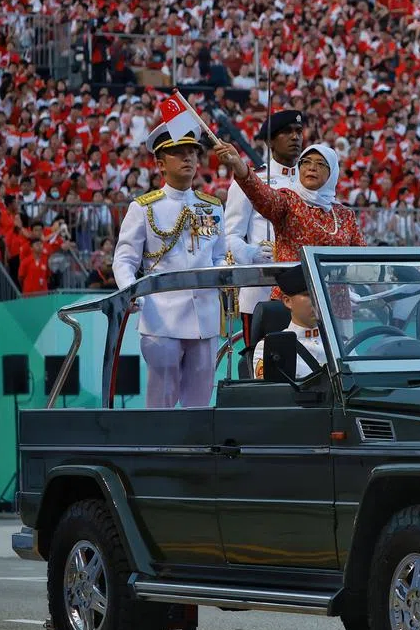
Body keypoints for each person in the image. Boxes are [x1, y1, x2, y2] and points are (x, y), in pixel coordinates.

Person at [113, 123, 228, 408]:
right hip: (162, 316)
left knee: (200, 402)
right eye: (178, 152)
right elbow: (125, 259)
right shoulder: (144, 207)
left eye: (192, 152)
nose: (188, 158)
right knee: (161, 402)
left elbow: (219, 256)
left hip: (205, 316)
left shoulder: (212, 206)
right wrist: (130, 291)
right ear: (161, 164)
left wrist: (225, 282)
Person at [215, 141, 365, 273]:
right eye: (306, 162)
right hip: (293, 293)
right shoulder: (288, 201)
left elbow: (364, 259)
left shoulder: (344, 215)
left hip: (333, 293)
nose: (312, 168)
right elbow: (260, 193)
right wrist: (239, 165)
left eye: (320, 164)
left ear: (332, 173)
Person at [225, 110, 305, 344]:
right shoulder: (251, 180)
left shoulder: (310, 181)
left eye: (298, 131)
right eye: (287, 132)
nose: (295, 137)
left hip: (306, 293)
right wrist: (251, 253)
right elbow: (229, 235)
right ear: (270, 141)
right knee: (261, 360)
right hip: (262, 289)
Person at [251, 265, 326, 380]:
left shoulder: (338, 344)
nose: (317, 301)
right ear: (287, 301)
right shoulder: (270, 347)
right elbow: (271, 390)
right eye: (308, 295)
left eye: (320, 294)